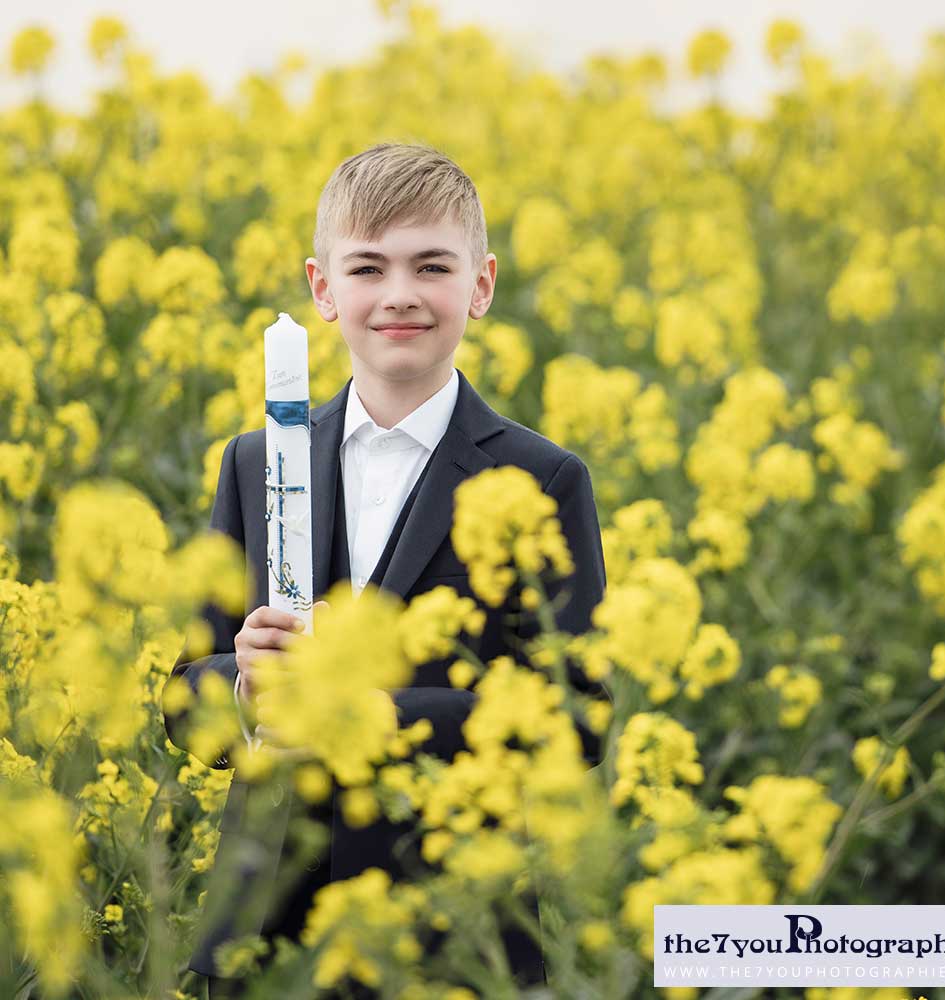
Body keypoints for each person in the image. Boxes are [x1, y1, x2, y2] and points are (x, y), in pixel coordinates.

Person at [161, 142, 610, 999]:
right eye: (367, 267)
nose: (399, 293)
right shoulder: (254, 464)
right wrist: (243, 688)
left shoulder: (545, 478)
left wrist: (374, 716)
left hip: (448, 932)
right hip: (265, 933)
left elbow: (577, 721)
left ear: (479, 286)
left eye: (431, 266)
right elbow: (183, 695)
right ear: (323, 289)